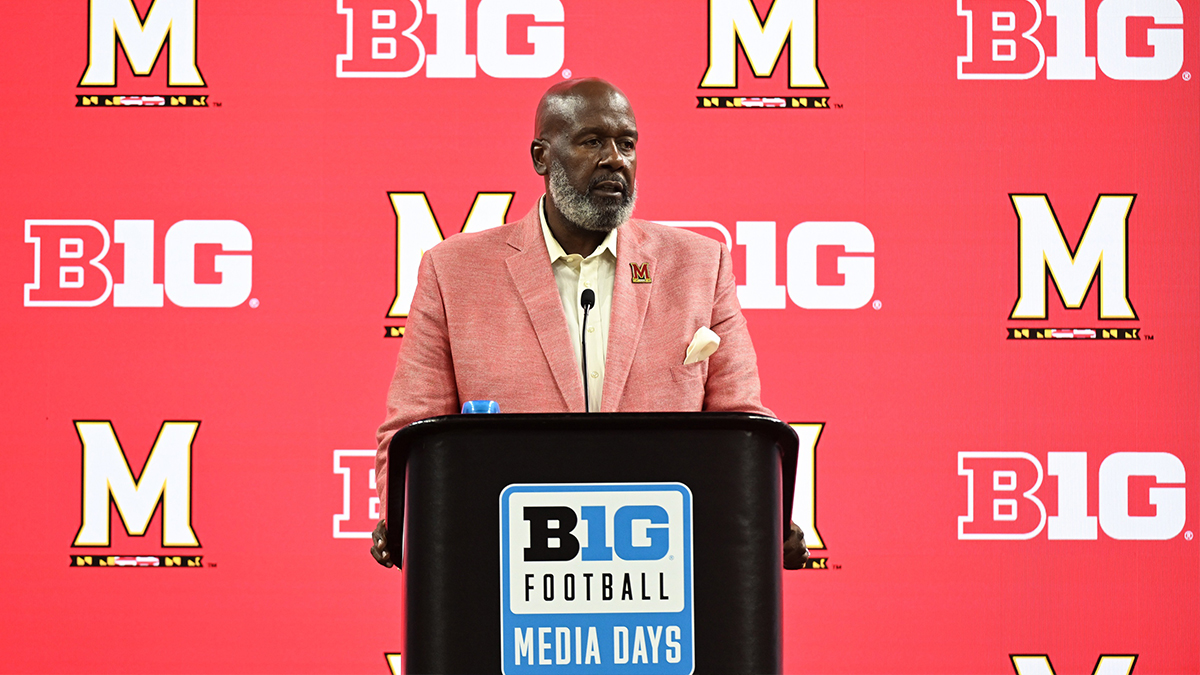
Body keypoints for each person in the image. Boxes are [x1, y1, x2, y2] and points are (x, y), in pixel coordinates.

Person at [370, 78, 808, 568]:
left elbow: (741, 420)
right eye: (592, 141)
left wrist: (766, 508)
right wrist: (402, 516)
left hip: (658, 569)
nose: (616, 159)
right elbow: (410, 429)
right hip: (509, 567)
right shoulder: (454, 271)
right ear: (541, 156)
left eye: (627, 143)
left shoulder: (700, 266)